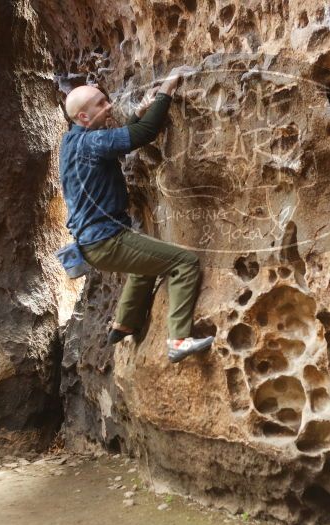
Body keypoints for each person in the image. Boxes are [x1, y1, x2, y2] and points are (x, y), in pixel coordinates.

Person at [59, 66, 214, 363]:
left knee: (145, 265)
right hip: (107, 241)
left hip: (93, 243)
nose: (109, 106)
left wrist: (139, 113)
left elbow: (119, 140)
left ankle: (124, 323)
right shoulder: (92, 142)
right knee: (184, 262)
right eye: (101, 105)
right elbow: (144, 134)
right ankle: (179, 340)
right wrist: (167, 89)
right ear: (83, 117)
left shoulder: (72, 142)